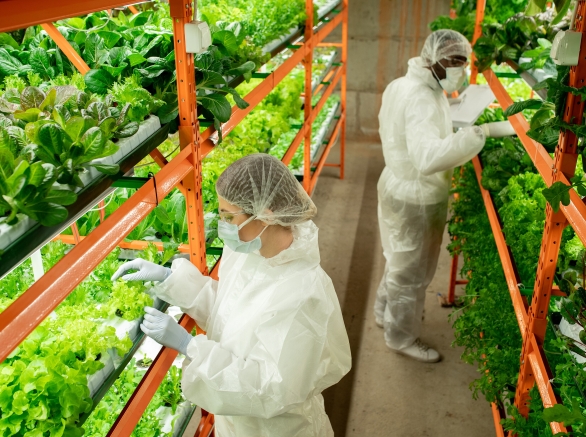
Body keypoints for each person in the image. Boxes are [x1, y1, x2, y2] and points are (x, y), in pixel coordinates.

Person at [112, 153, 352, 437]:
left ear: (267, 213)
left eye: (229, 215)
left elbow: (270, 388)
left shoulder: (303, 293)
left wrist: (191, 347)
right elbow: (231, 311)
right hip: (238, 425)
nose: (223, 224)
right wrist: (171, 279)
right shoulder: (250, 251)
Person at [375, 29, 516, 363]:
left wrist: (450, 110)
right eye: (456, 61)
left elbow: (412, 128)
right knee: (412, 274)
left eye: (464, 63)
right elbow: (427, 159)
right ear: (434, 58)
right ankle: (401, 338)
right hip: (417, 196)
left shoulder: (407, 84)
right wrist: (479, 134)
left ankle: (384, 313)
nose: (461, 70)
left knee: (397, 258)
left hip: (395, 183)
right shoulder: (422, 97)